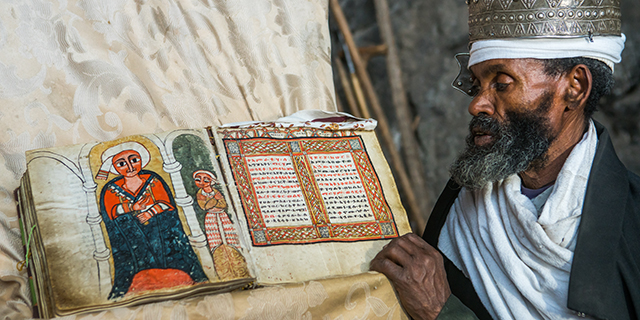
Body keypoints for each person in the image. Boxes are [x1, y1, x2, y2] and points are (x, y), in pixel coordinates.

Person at [369, 1, 640, 319]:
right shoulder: (463, 203)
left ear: (574, 88)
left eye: (502, 83)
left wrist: (443, 312)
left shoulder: (631, 228)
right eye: (477, 85)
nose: (477, 105)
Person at [96, 142, 208, 299]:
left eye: (134, 160)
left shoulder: (152, 179)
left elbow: (167, 204)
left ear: (142, 159)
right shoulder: (111, 188)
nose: (129, 166)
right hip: (132, 234)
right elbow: (111, 212)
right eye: (122, 163)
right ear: (115, 168)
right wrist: (131, 207)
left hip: (159, 231)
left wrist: (151, 212)